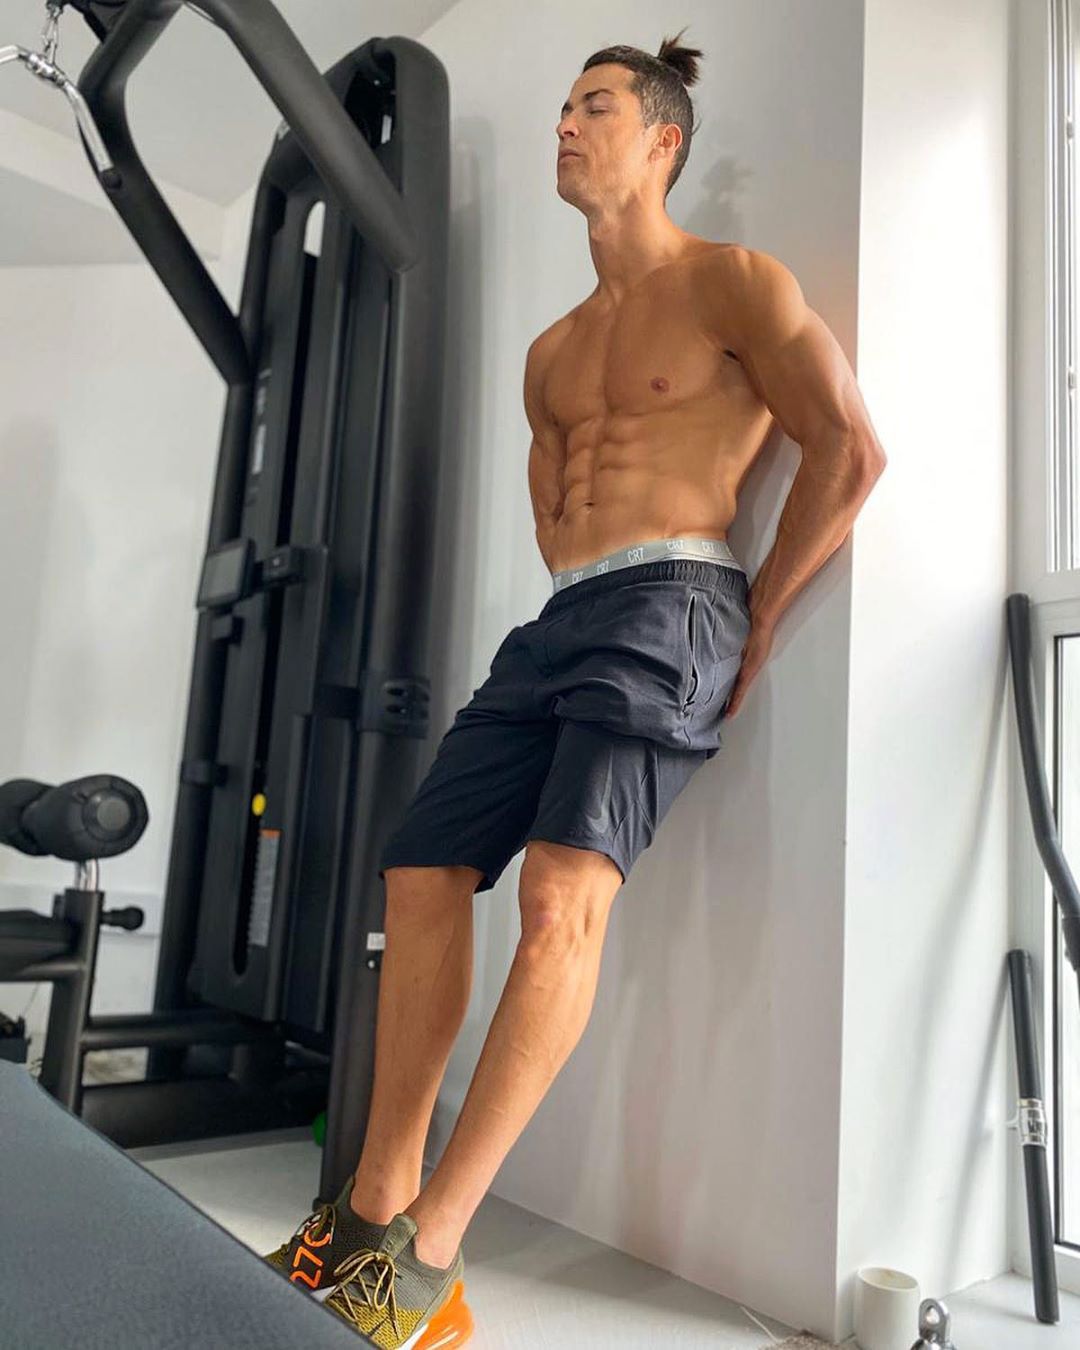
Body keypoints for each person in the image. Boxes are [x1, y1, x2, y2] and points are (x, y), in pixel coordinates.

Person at [265, 29, 886, 1348]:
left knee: (558, 894)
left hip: (677, 597)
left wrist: (758, 616)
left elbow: (849, 447)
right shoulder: (551, 352)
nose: (564, 123)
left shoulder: (732, 283)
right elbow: (559, 527)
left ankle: (428, 1263)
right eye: (560, 106)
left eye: (593, 105)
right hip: (561, 618)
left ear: (662, 140)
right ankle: (368, 1212)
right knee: (419, 869)